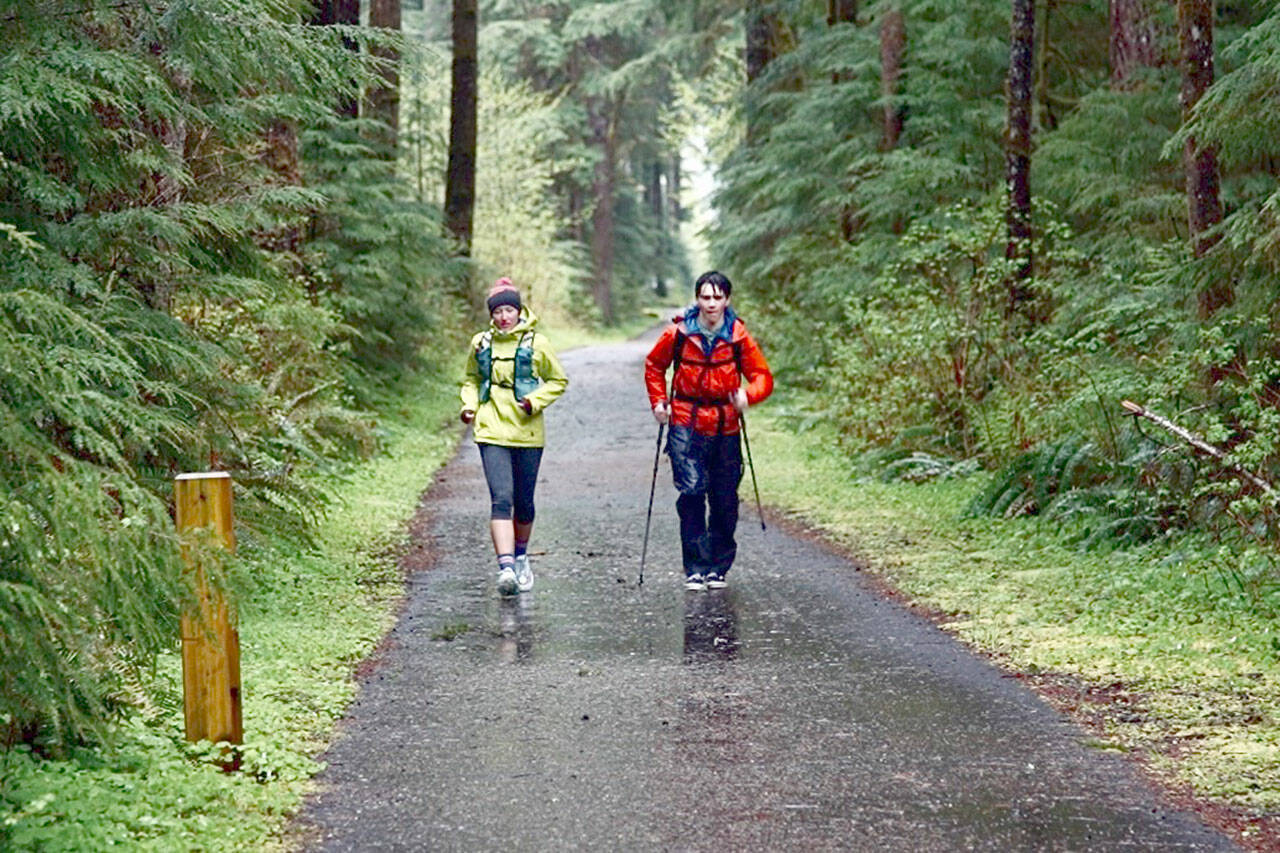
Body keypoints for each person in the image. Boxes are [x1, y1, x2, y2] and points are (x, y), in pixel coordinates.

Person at [644, 270, 773, 591]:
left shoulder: (738, 336)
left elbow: (763, 377)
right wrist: (659, 402)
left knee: (725, 498)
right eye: (705, 297)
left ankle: (718, 567)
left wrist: (748, 395)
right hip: (686, 422)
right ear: (697, 299)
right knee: (690, 493)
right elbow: (654, 366)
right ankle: (695, 568)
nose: (711, 303)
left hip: (726, 425)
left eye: (717, 297)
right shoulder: (678, 333)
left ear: (727, 300)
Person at [461, 278, 568, 596]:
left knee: (524, 503)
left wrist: (535, 400)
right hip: (491, 427)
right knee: (501, 499)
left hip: (527, 430)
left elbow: (557, 380)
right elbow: (470, 379)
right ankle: (506, 568)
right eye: (498, 311)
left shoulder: (538, 343)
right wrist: (469, 407)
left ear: (519, 311)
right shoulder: (480, 343)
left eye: (510, 309)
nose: (504, 316)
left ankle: (521, 557)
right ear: (491, 314)